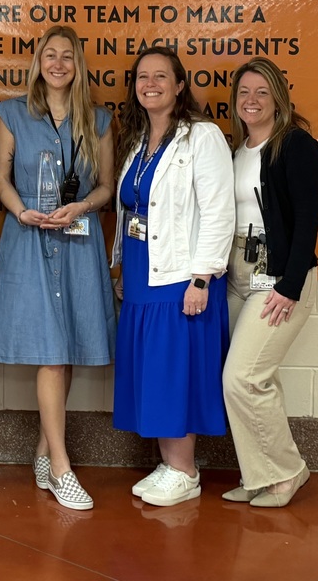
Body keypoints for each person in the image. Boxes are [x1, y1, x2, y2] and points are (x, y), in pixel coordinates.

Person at [0, 25, 116, 511]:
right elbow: (0, 176)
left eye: (67, 56)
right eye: (49, 55)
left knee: (70, 346)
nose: (58, 63)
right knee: (52, 352)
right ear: (38, 62)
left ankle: (43, 450)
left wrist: (82, 208)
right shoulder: (14, 112)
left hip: (77, 240)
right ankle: (61, 467)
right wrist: (20, 212)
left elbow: (105, 185)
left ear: (78, 65)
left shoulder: (98, 119)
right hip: (29, 236)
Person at [111, 47, 235, 507]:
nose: (151, 84)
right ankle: (169, 465)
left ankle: (185, 470)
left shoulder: (201, 137)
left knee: (174, 372)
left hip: (182, 276)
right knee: (152, 372)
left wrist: (202, 279)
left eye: (161, 76)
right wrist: (120, 264)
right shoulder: (138, 140)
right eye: (143, 77)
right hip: (144, 274)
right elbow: (132, 211)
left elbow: (220, 212)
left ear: (180, 86)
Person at [222, 56, 318, 508]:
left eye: (262, 92)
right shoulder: (237, 150)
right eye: (244, 92)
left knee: (241, 377)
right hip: (236, 273)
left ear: (279, 98)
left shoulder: (295, 144)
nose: (252, 100)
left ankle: (287, 472)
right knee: (259, 378)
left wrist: (290, 285)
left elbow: (308, 219)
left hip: (279, 275)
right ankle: (259, 473)